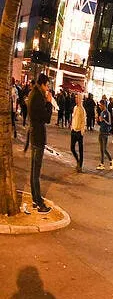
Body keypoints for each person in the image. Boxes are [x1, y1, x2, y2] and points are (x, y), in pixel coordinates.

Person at [25, 74, 53, 214]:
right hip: (38, 137)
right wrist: (48, 102)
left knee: (33, 171)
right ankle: (39, 203)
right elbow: (47, 118)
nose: (47, 88)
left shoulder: (33, 94)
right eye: (47, 85)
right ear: (42, 84)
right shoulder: (38, 97)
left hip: (34, 136)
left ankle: (35, 200)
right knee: (36, 172)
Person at [69, 92, 85, 172]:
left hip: (79, 132)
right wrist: (72, 127)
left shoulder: (82, 110)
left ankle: (80, 165)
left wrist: (82, 132)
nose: (76, 99)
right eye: (75, 98)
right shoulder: (75, 108)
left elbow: (83, 121)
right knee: (72, 148)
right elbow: (73, 118)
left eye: (77, 98)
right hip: (74, 131)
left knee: (81, 149)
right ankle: (78, 160)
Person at [96, 100, 113, 170]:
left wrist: (103, 120)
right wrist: (98, 120)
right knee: (101, 149)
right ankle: (102, 164)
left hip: (105, 133)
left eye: (100, 105)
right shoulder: (102, 112)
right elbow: (100, 123)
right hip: (101, 132)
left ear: (104, 105)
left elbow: (109, 123)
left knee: (104, 149)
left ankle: (110, 160)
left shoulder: (107, 113)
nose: (100, 106)